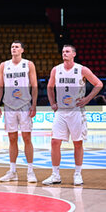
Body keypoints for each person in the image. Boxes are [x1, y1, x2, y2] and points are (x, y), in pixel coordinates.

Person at [43, 45, 103, 185]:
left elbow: (98, 84)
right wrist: (52, 103)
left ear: (74, 54)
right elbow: (50, 87)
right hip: (61, 111)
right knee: (54, 142)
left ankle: (77, 174)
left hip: (76, 111)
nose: (64, 53)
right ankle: (55, 175)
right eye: (63, 52)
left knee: (77, 143)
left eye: (67, 51)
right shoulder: (56, 70)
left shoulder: (82, 69)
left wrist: (87, 99)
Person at [0, 41, 38, 183]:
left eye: (16, 47)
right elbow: (0, 86)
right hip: (9, 106)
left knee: (27, 138)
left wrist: (34, 105)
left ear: (22, 50)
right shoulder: (4, 65)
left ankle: (30, 171)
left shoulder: (28, 64)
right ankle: (12, 171)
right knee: (12, 139)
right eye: (12, 46)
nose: (14, 48)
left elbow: (35, 86)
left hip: (25, 105)